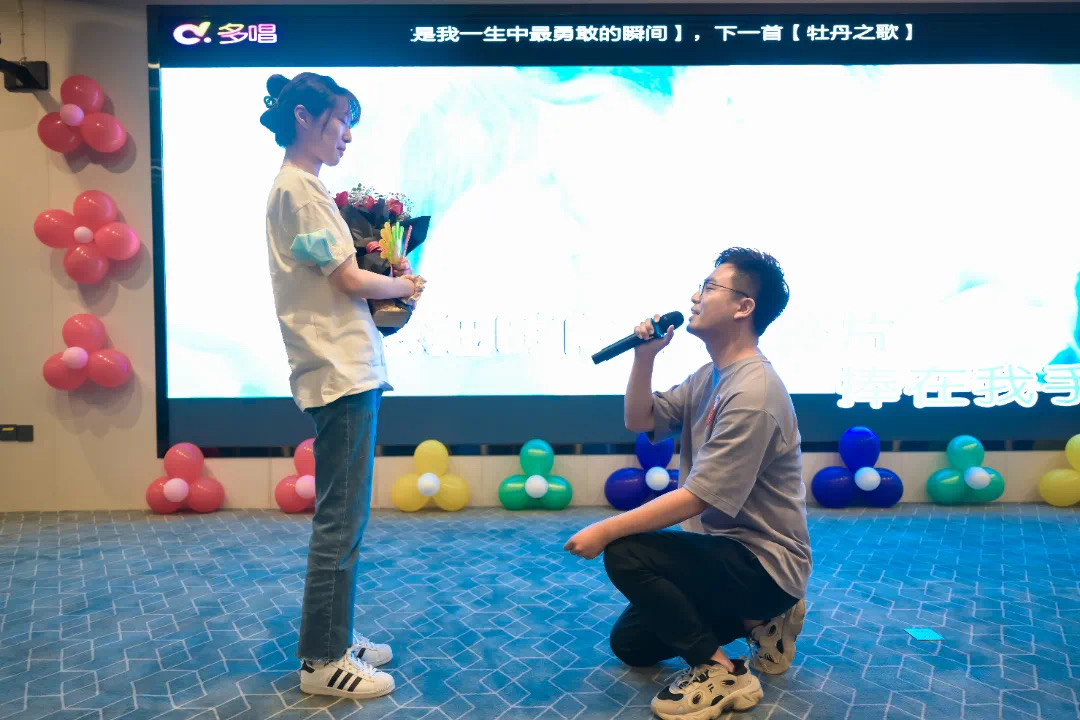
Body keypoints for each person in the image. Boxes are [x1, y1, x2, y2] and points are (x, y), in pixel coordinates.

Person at [565, 248, 811, 719]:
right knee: (632, 645)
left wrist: (605, 530)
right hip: (723, 552)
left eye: (709, 287)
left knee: (626, 551)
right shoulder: (710, 377)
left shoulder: (753, 392)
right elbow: (641, 419)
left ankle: (723, 671)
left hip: (764, 563)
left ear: (744, 307)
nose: (695, 297)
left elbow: (696, 498)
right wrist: (644, 357)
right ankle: (760, 621)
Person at [260, 72, 424, 700]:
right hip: (339, 370)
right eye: (341, 120)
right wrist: (405, 284)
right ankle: (323, 661)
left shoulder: (301, 187)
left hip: (342, 367)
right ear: (305, 117)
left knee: (344, 518)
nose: (348, 135)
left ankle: (332, 637)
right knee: (341, 520)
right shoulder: (300, 190)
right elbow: (350, 279)